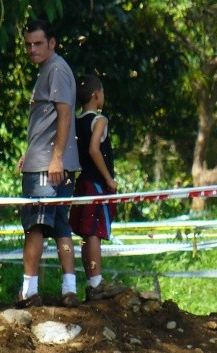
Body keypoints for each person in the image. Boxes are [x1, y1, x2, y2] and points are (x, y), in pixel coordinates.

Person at [16, 19, 81, 309]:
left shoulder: (55, 69)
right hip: (44, 159)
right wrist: (30, 152)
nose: (32, 49)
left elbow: (65, 115)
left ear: (52, 43)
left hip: (48, 166)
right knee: (61, 226)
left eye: (38, 43)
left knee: (36, 226)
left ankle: (29, 290)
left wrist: (54, 158)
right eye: (28, 44)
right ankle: (69, 288)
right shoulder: (51, 69)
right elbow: (48, 121)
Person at [70, 74, 127, 302]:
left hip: (82, 182)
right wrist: (109, 179)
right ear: (96, 95)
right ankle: (96, 283)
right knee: (94, 232)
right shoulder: (100, 120)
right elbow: (95, 150)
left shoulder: (75, 121)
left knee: (87, 233)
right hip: (96, 184)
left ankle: (92, 280)